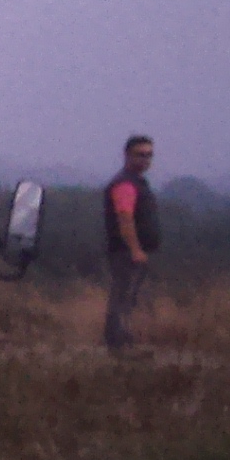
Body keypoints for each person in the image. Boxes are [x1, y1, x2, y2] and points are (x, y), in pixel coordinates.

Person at [102, 135, 158, 353]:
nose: (145, 160)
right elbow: (125, 218)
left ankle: (123, 340)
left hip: (132, 251)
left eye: (149, 155)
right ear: (127, 155)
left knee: (128, 298)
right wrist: (135, 249)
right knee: (122, 298)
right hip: (125, 252)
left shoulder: (137, 182)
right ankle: (118, 344)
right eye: (140, 155)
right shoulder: (125, 184)